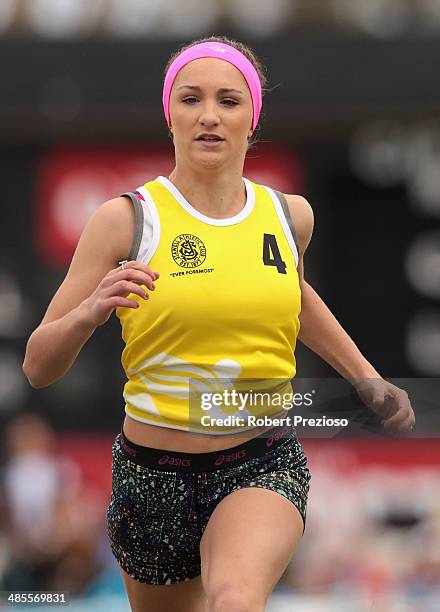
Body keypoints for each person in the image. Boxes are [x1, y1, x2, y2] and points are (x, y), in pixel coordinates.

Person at [23, 35, 415, 612]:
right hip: (151, 477)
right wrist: (89, 312)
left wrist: (366, 378)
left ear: (252, 118)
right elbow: (37, 367)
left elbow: (293, 296)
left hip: (260, 459)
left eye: (228, 100)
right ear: (170, 115)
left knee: (234, 599)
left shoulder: (288, 215)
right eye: (191, 99)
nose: (209, 116)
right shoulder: (124, 221)